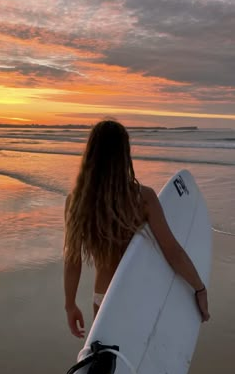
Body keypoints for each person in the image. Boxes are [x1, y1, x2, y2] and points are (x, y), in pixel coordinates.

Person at [63, 119, 210, 338]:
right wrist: (199, 287)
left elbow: (72, 260)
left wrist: (70, 305)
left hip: (103, 298)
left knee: (108, 363)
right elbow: (173, 252)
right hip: (137, 293)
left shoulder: (76, 202)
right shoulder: (142, 198)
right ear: (124, 155)